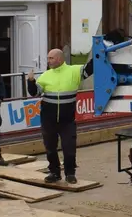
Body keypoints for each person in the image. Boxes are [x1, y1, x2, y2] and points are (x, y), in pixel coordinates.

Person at [27, 48, 87, 184]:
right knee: (50, 148)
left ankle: (70, 174)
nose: (48, 61)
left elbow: (91, 68)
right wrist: (31, 81)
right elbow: (34, 93)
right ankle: (54, 173)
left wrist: (100, 50)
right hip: (49, 120)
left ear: (59, 59)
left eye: (51, 58)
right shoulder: (45, 75)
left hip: (67, 121)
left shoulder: (74, 71)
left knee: (69, 148)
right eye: (48, 58)